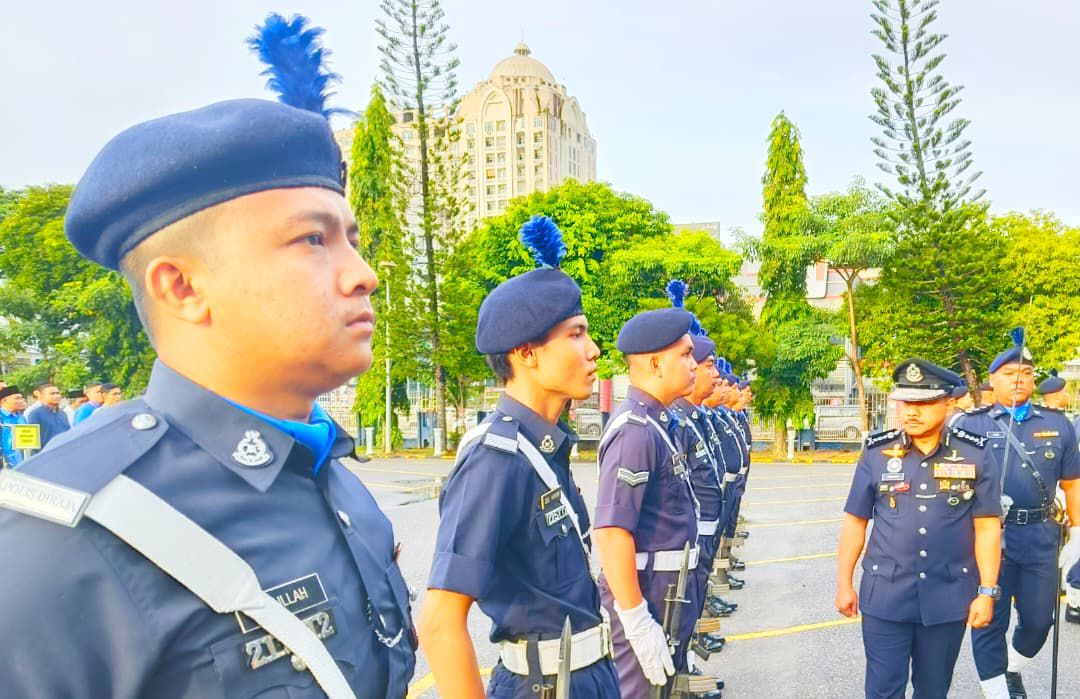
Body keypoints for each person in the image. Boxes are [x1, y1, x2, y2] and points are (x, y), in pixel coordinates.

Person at [0, 14, 416, 697]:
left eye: (351, 237)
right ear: (183, 286)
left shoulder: (337, 487)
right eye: (313, 240)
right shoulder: (60, 542)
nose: (362, 272)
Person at [419, 216, 619, 699]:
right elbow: (439, 621)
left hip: (585, 677)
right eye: (575, 335)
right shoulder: (496, 458)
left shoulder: (547, 444)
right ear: (526, 353)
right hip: (544, 686)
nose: (593, 350)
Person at [836, 358, 1001, 699]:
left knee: (933, 690)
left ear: (948, 403)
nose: (911, 412)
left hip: (948, 597)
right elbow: (855, 520)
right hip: (886, 595)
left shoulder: (976, 454)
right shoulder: (878, 452)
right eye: (905, 402)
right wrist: (844, 584)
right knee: (882, 691)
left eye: (923, 403)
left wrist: (987, 592)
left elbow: (986, 527)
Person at [956, 329, 1080, 699]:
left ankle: (1011, 670)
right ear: (992, 380)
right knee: (988, 620)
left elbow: (1073, 484)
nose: (1018, 380)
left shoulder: (1058, 425)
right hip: (985, 540)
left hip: (1039, 536)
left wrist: (1078, 534)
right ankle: (997, 692)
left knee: (1040, 621)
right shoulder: (969, 425)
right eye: (1010, 374)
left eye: (1026, 374)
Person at [594, 307, 699, 697]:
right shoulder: (635, 431)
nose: (693, 364)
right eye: (685, 355)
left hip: (666, 593)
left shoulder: (659, 421)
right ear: (655, 363)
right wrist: (636, 619)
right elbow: (611, 531)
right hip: (646, 596)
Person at [26, 382, 70, 451]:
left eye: (58, 393)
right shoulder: (35, 414)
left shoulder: (62, 414)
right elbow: (32, 441)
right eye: (52, 394)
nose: (56, 396)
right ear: (42, 396)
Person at [0, 386, 28, 468]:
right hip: (4, 465)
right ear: (4, 401)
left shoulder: (21, 417)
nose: (21, 401)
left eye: (22, 398)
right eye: (17, 398)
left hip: (23, 463)